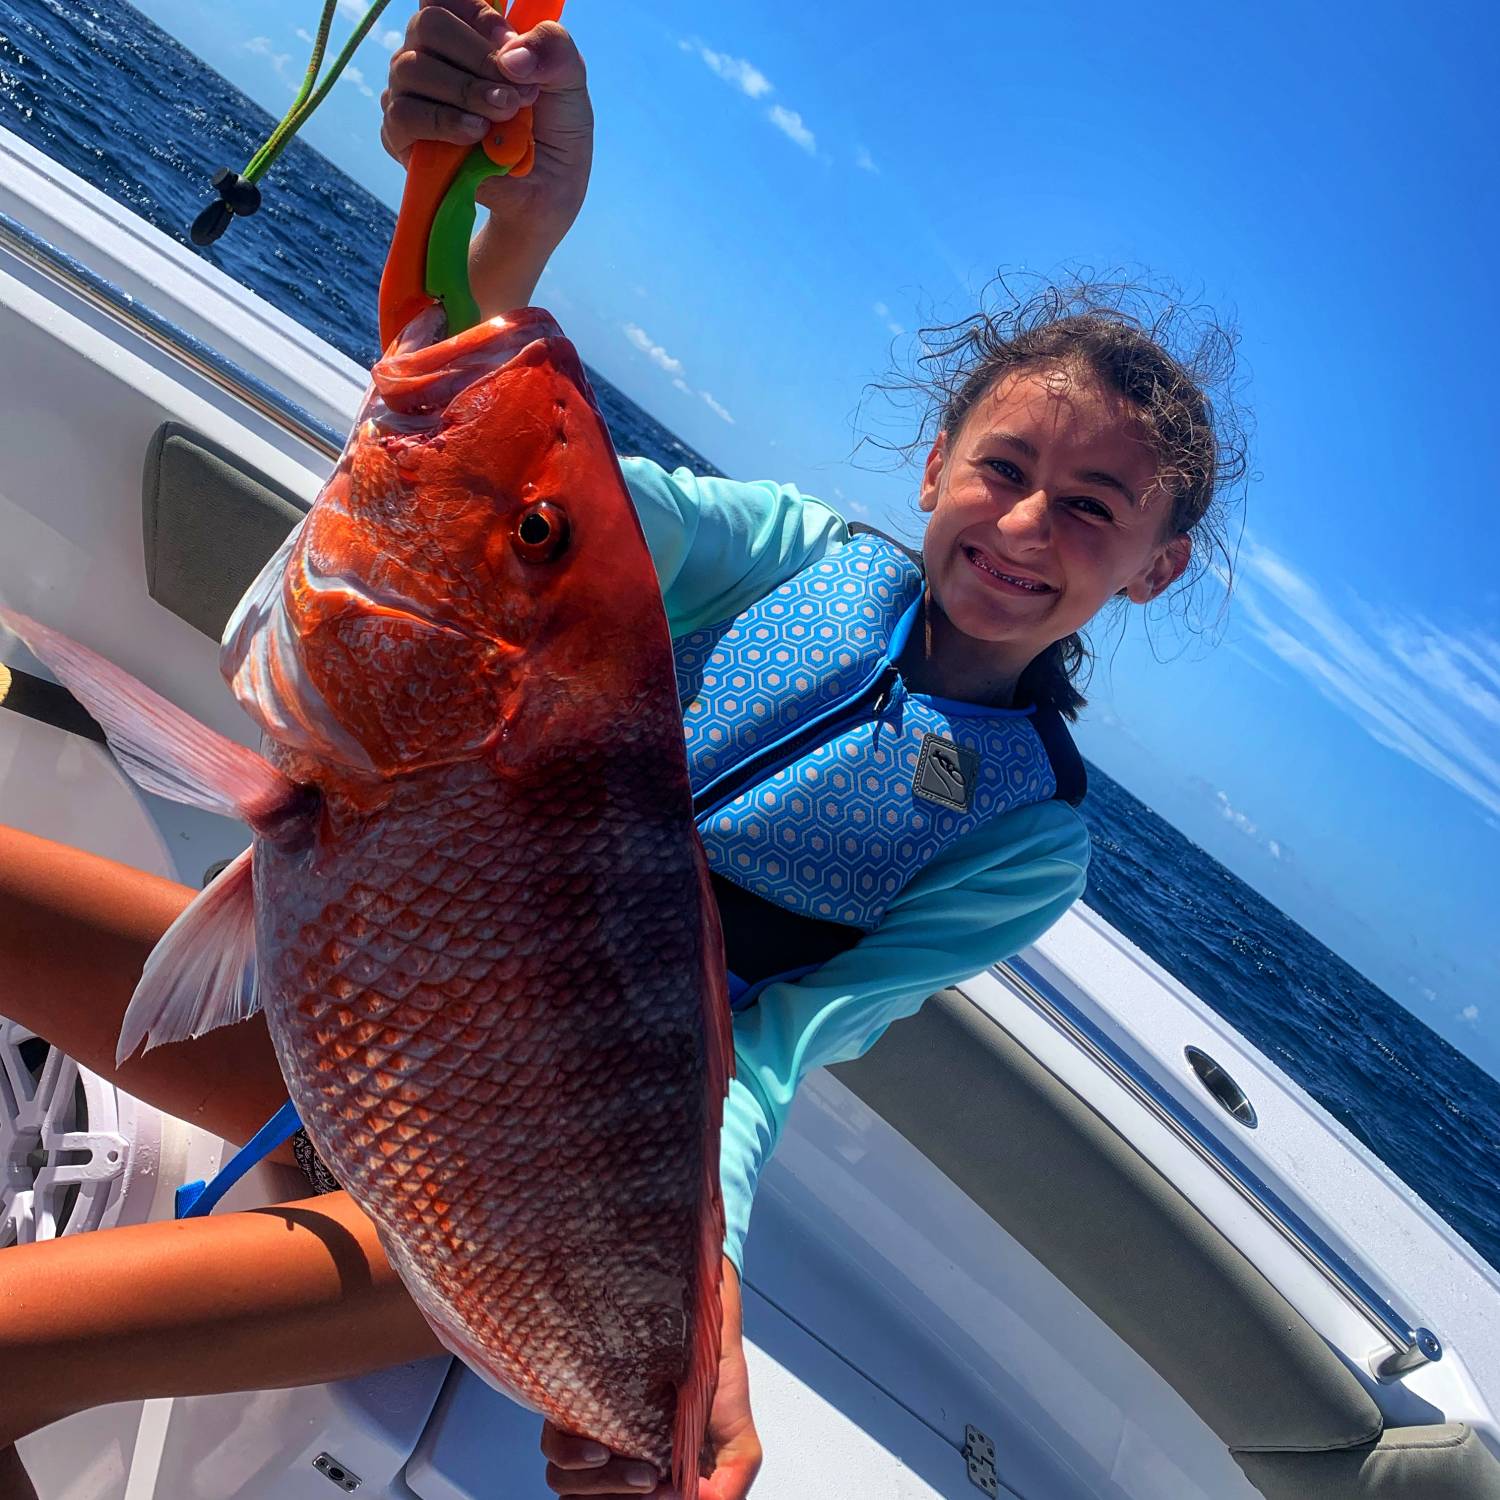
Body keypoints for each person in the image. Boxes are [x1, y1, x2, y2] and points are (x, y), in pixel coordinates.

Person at [0, 4, 1242, 1497]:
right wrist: (492, 238)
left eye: (1096, 510)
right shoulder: (781, 561)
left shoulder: (1028, 839)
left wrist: (690, 1302)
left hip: (514, 1195)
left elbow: (769, 1057)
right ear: (935, 465)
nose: (1030, 525)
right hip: (350, 1014)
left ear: (1155, 568)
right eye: (1006, 468)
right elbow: (495, 499)